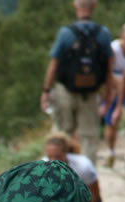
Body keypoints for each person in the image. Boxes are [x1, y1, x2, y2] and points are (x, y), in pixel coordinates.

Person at [41, 0, 114, 166]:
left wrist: (46, 91)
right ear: (94, 6)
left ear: (75, 6)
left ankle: (58, 171)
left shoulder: (65, 33)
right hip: (91, 93)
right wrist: (108, 94)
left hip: (65, 91)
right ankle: (86, 174)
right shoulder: (103, 33)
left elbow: (53, 65)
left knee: (61, 134)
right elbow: (109, 67)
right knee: (89, 136)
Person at [43, 130, 103, 202]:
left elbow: (95, 194)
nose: (53, 161)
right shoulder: (42, 166)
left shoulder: (83, 166)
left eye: (57, 156)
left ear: (66, 152)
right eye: (49, 157)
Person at [100, 22, 125, 165]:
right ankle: (110, 151)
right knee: (112, 121)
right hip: (113, 88)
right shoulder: (114, 50)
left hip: (122, 86)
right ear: (121, 36)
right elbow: (107, 74)